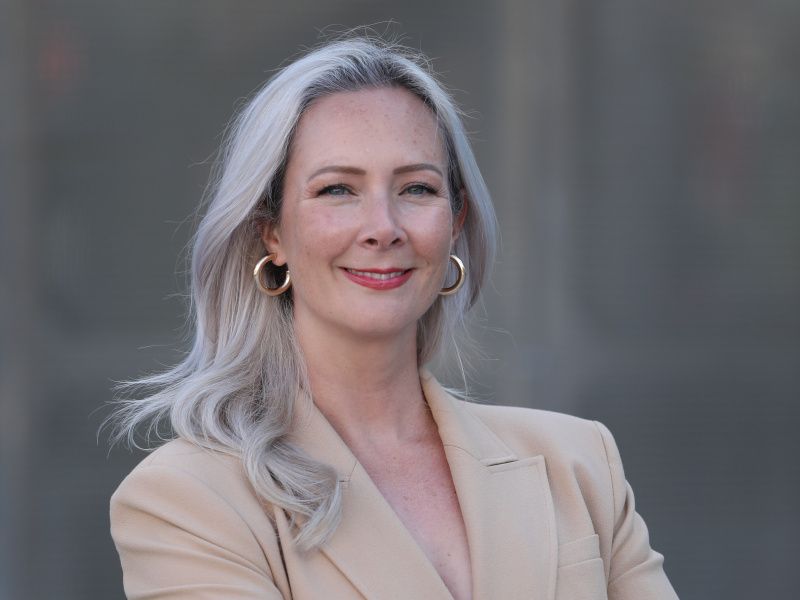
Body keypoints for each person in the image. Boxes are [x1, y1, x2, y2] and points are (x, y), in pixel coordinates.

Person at [107, 36, 679, 600]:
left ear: (456, 222)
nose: (383, 226)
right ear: (272, 232)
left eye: (415, 188)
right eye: (337, 189)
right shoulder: (187, 498)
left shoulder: (579, 466)